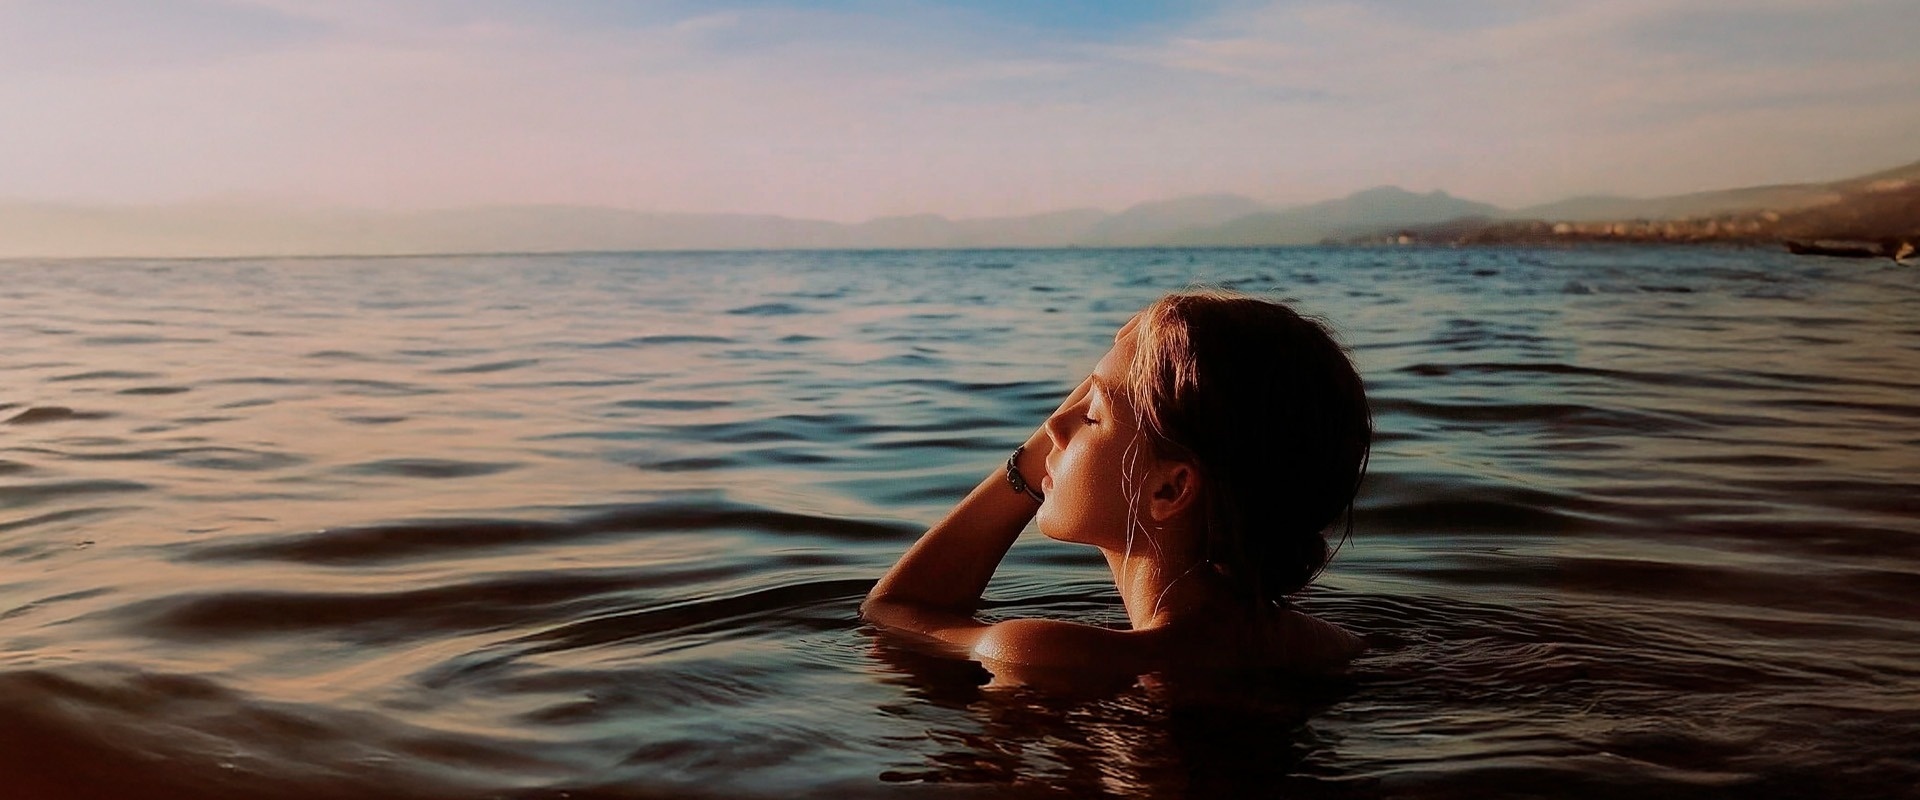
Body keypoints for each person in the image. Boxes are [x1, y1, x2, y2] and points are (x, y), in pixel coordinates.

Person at [862, 289, 1372, 679]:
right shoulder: (1333, 647)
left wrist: (1027, 472)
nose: (1053, 426)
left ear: (1169, 490)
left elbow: (890, 610)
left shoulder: (1044, 655)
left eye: (1091, 414)